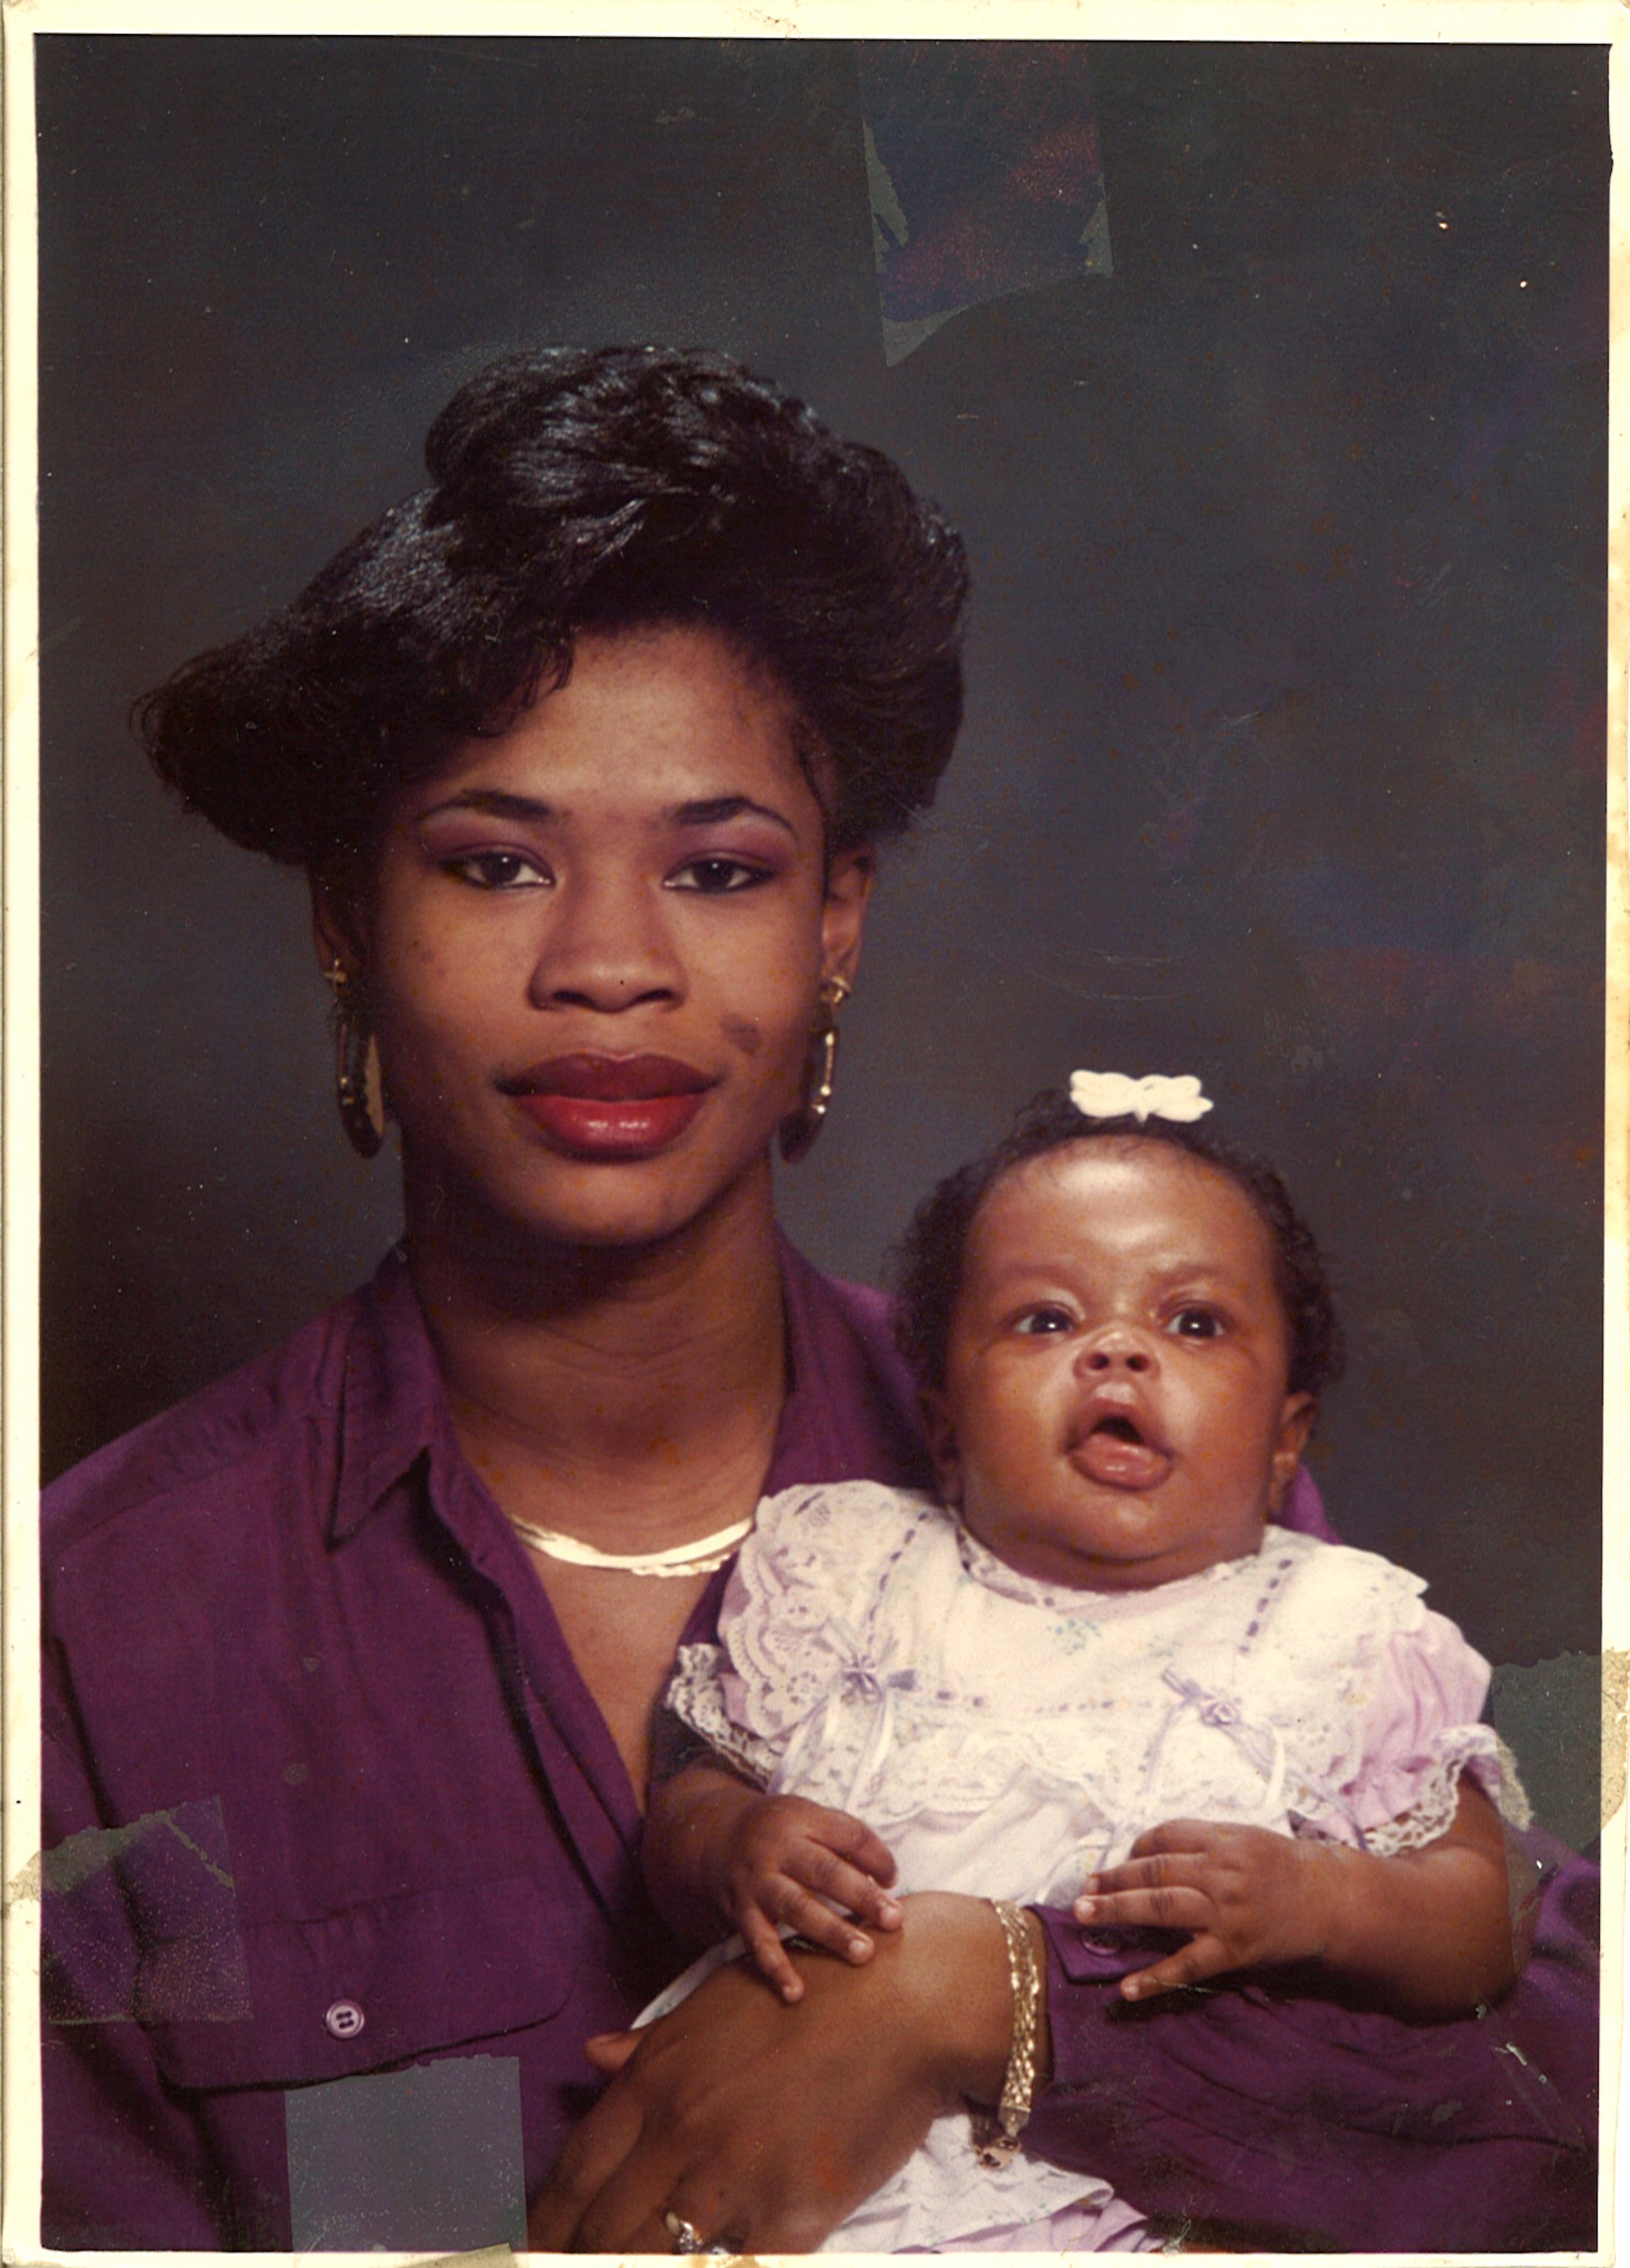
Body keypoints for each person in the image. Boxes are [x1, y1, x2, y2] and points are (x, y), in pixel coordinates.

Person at [38, 348, 1595, 2256]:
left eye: (719, 867)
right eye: (496, 861)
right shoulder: (93, 1626)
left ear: (836, 917)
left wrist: (967, 1998)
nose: (610, 965)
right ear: (349, 924)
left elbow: (1534, 2126)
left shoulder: (1129, 1463)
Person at [643, 1083, 1519, 2251]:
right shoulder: (851, 1566)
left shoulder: (1340, 1629)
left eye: (1194, 1323)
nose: (1117, 1348)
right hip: (765, 2147)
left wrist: (1324, 1898)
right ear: (946, 1426)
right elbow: (693, 1794)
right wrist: (732, 1843)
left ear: (1285, 1443)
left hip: (1120, 2195)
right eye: (1046, 1320)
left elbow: (1483, 1914)